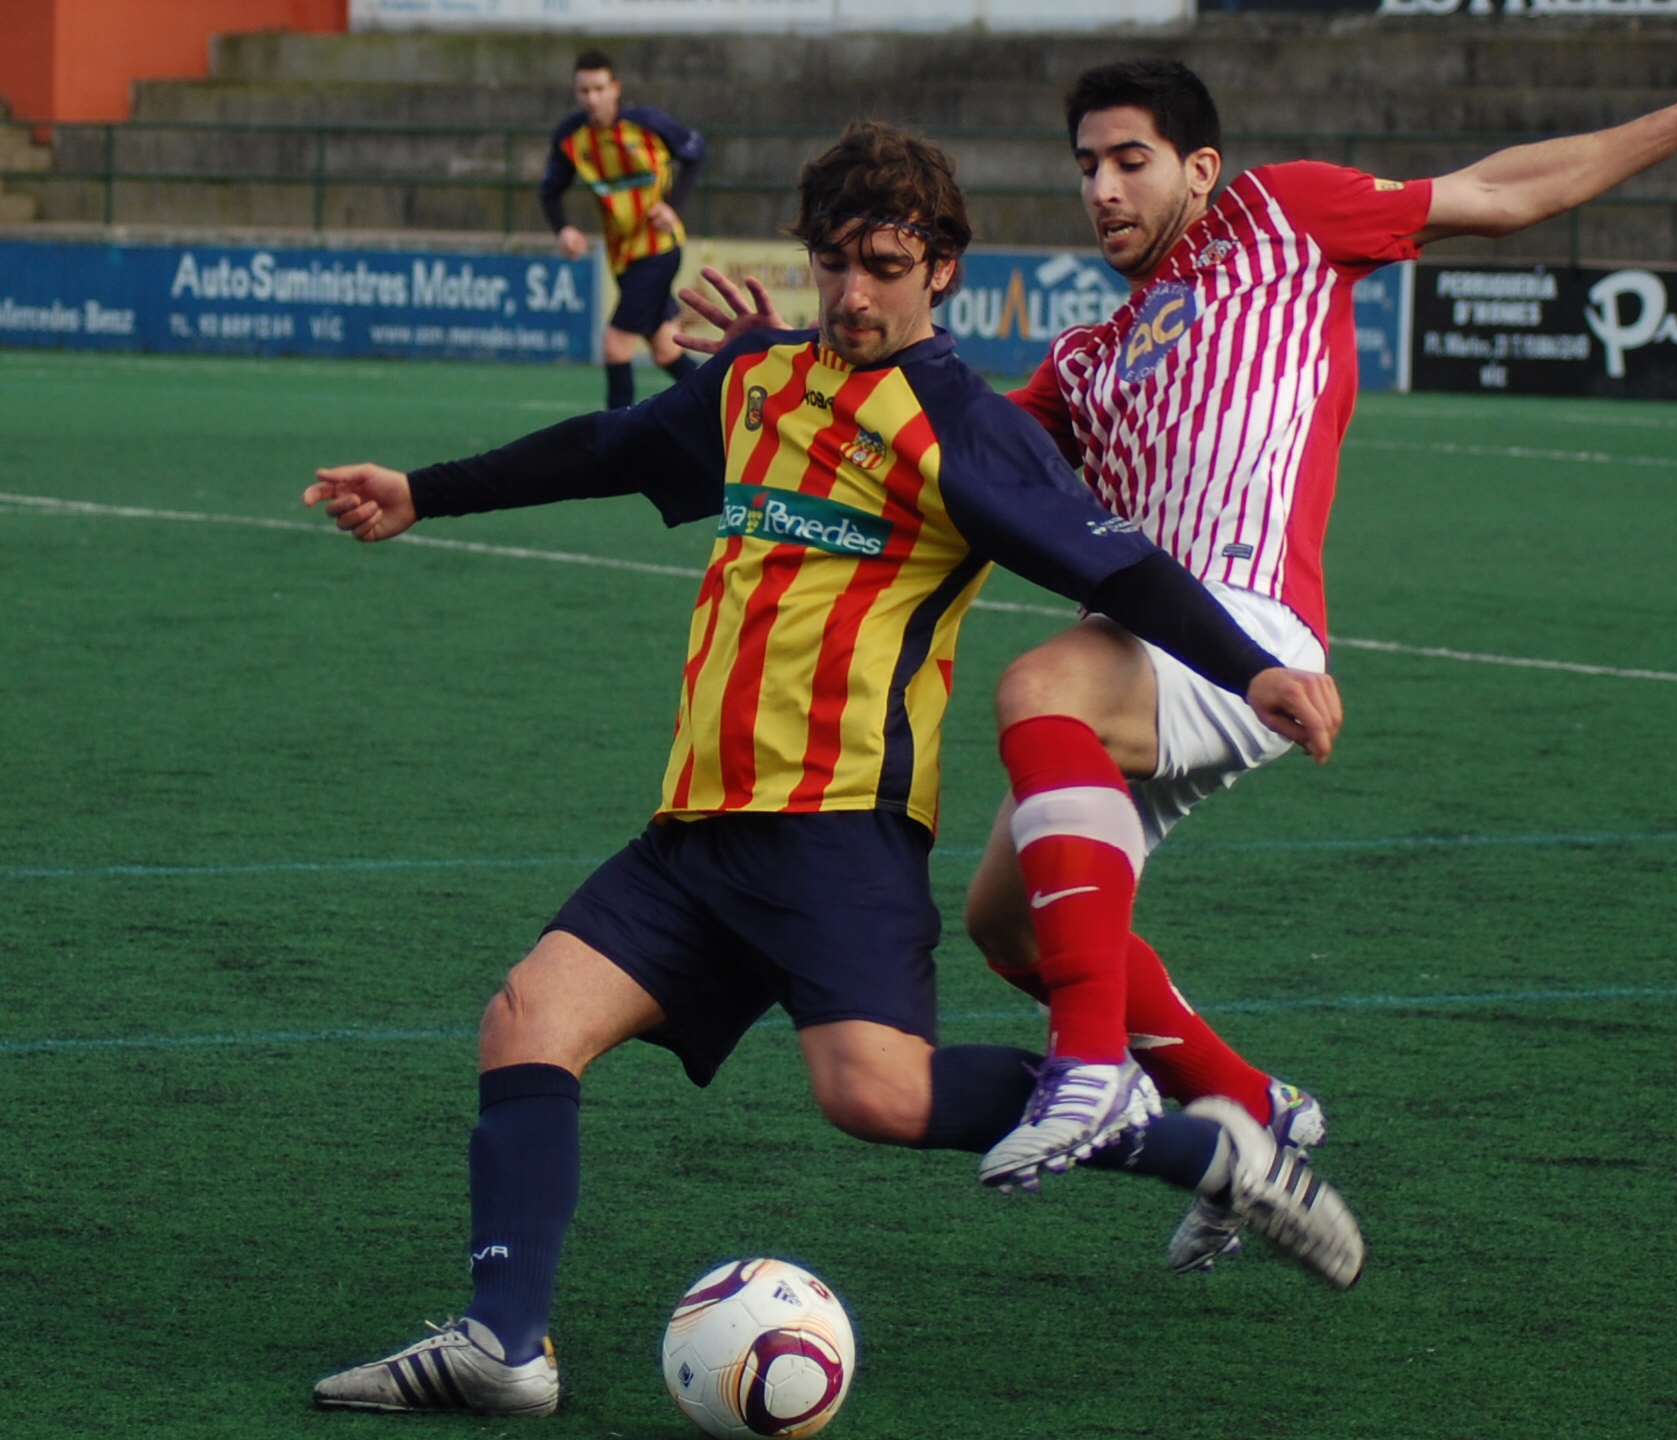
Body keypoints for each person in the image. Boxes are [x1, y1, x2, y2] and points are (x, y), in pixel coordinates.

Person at [302, 121, 1363, 1420]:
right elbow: (605, 450)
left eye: (883, 264)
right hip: (695, 830)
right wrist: (423, 490)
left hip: (837, 832)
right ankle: (501, 1342)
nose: (853, 292)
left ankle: (1208, 1147)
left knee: (874, 1095)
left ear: (943, 272)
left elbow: (1116, 566)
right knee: (527, 1022)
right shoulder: (757, 387)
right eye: (832, 263)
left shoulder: (962, 431)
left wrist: (1246, 661)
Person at [955, 31, 1677, 1256]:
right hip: (1155, 661)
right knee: (1006, 926)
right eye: (1086, 165)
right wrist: (777, 373)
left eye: (1129, 161)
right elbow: (951, 454)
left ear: (1200, 166)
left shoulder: (1282, 214)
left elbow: (1502, 191)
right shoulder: (1090, 357)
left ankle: (1091, 1067)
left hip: (1255, 633)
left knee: (1039, 679)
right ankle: (1253, 1117)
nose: (1101, 190)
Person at [541, 47, 705, 408]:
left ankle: (617, 444)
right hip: (622, 256)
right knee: (665, 350)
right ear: (575, 92)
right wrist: (564, 229)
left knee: (615, 345)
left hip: (658, 248)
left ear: (615, 88)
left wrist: (672, 208)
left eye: (599, 89)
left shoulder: (646, 123)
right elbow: (550, 191)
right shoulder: (571, 137)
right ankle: (725, 406)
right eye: (584, 91)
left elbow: (695, 152)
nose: (592, 98)